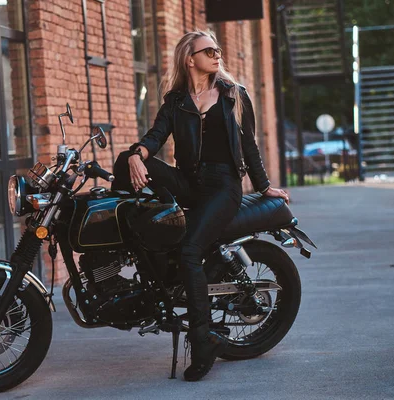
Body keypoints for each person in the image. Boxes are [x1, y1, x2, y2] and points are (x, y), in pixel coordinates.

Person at [111, 30, 289, 381]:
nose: (216, 54)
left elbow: (248, 145)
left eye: (218, 49)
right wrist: (136, 155)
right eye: (208, 49)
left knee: (191, 249)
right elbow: (155, 137)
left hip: (223, 187)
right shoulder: (176, 101)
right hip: (190, 183)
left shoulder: (233, 95)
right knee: (122, 160)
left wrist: (265, 186)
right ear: (189, 58)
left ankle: (203, 340)